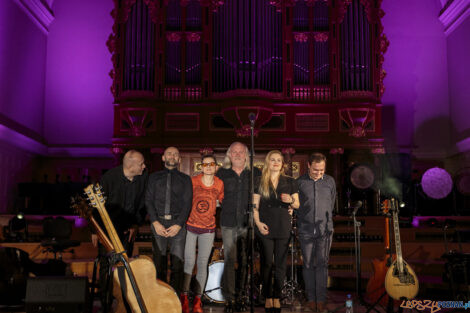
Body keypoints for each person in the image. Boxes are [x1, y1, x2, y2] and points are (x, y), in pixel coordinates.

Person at [91, 149, 148, 308]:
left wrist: (135, 224)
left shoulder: (142, 177)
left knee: (124, 264)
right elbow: (96, 205)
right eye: (141, 164)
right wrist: (95, 231)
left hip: (127, 229)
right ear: (131, 165)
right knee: (106, 265)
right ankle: (106, 301)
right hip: (107, 229)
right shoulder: (109, 178)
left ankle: (124, 300)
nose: (144, 166)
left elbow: (142, 204)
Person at [216, 142, 261, 313]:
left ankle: (241, 296)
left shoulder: (255, 173)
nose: (237, 154)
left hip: (247, 223)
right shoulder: (222, 173)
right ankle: (230, 298)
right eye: (233, 152)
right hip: (227, 222)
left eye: (241, 151)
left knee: (244, 260)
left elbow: (262, 194)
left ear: (246, 155)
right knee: (229, 259)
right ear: (229, 155)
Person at [253, 150, 299, 313]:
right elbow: (255, 206)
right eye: (272, 160)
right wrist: (258, 223)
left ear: (282, 163)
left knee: (280, 264)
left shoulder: (290, 181)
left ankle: (277, 297)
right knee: (266, 263)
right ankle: (266, 296)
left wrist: (291, 200)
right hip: (265, 225)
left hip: (282, 224)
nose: (276, 162)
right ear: (267, 162)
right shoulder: (259, 180)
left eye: (279, 160)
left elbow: (297, 204)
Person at [145, 147, 192, 302]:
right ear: (163, 158)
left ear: (179, 159)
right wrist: (155, 222)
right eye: (169, 154)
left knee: (177, 265)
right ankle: (160, 299)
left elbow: (187, 204)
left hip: (178, 224)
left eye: (176, 154)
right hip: (158, 222)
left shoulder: (186, 179)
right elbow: (148, 201)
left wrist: (179, 224)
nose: (172, 156)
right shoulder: (153, 178)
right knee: (159, 264)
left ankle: (174, 300)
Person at [181, 154, 224, 313]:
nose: (208, 167)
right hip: (191, 226)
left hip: (208, 229)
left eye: (211, 164)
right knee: (189, 262)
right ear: (201, 167)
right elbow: (184, 200)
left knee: (202, 264)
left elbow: (224, 201)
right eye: (204, 164)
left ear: (215, 167)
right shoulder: (193, 181)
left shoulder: (219, 184)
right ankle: (184, 298)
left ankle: (198, 300)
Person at [297, 153, 336, 313]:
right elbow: (297, 205)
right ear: (308, 166)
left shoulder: (330, 181)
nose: (319, 173)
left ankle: (321, 299)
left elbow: (331, 203)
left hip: (324, 229)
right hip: (305, 228)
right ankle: (311, 299)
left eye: (321, 170)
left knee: (322, 264)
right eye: (315, 170)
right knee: (307, 264)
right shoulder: (299, 182)